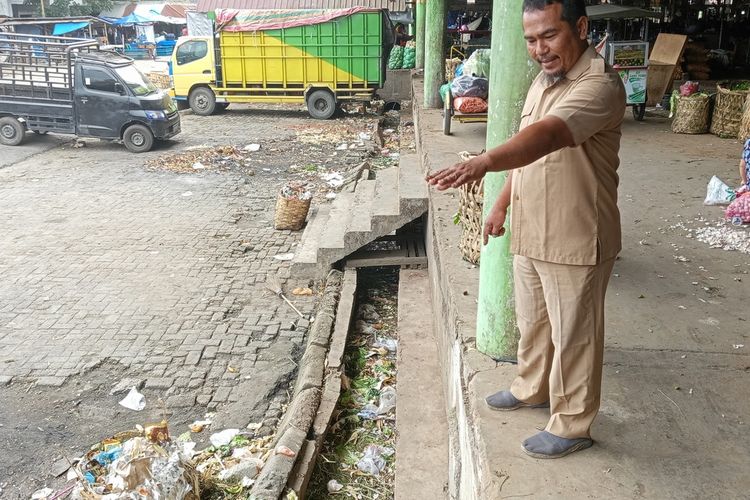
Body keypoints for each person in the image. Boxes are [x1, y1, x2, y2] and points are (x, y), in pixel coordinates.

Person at [426, 0, 625, 458]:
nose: (540, 49)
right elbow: (528, 153)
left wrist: (483, 161)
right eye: (531, 40)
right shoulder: (543, 80)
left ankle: (573, 423)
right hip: (532, 225)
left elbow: (549, 135)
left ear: (580, 27)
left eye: (549, 36)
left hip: (577, 234)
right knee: (534, 322)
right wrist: (499, 203)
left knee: (576, 333)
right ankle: (531, 387)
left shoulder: (599, 84)